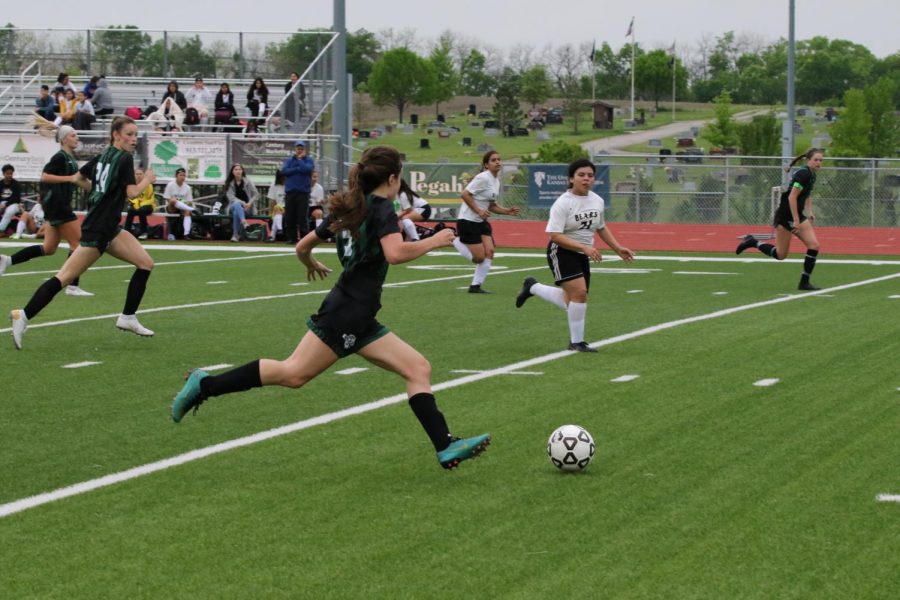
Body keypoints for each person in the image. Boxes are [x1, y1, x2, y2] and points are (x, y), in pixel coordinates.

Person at [171, 145, 491, 470]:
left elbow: (302, 245)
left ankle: (445, 446)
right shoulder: (380, 208)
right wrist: (434, 241)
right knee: (293, 373)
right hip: (346, 312)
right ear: (392, 178)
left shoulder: (353, 206)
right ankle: (204, 384)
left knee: (417, 368)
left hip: (359, 313)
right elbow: (395, 253)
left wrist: (309, 261)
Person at [9, 116, 157, 349]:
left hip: (108, 228)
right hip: (98, 230)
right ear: (116, 135)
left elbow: (79, 178)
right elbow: (132, 193)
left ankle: (127, 317)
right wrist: (147, 180)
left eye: (135, 135)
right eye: (129, 134)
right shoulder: (125, 159)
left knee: (146, 263)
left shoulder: (103, 156)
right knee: (64, 278)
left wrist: (100, 191)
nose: (133, 139)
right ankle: (23, 315)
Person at [515, 158, 635, 353]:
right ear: (571, 178)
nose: (586, 179)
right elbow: (555, 235)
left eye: (590, 175)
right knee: (580, 294)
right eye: (581, 175)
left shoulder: (597, 200)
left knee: (572, 300)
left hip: (581, 253)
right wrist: (584, 248)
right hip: (561, 251)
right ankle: (576, 343)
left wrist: (617, 248)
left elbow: (601, 227)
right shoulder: (563, 203)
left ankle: (533, 287)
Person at [0, 127, 93, 296]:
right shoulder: (59, 157)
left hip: (56, 206)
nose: (76, 138)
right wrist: (70, 179)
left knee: (49, 248)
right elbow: (45, 176)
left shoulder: (70, 158)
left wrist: (96, 190)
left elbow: (80, 181)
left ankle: (7, 260)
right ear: (64, 139)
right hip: (58, 205)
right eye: (73, 135)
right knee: (78, 244)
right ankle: (72, 286)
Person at [736, 148, 825, 291]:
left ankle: (804, 282)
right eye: (816, 160)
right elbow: (791, 197)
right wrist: (795, 220)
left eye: (821, 160)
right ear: (808, 160)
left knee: (814, 245)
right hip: (785, 217)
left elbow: (807, 194)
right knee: (780, 255)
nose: (819, 163)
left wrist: (809, 212)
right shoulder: (803, 174)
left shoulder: (812, 175)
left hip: (797, 215)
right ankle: (752, 242)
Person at [451, 150, 520, 293]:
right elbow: (465, 194)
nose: (498, 162)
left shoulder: (496, 181)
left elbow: (491, 205)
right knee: (479, 258)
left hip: (481, 221)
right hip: (468, 221)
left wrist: (507, 211)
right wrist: (478, 210)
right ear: (486, 165)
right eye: (493, 160)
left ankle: (475, 286)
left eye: (499, 159)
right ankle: (453, 240)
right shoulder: (483, 178)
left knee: (490, 252)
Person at [281, 140, 314, 243]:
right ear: (294, 149)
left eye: (301, 149)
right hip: (290, 192)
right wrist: (297, 169)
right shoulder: (289, 160)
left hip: (303, 193)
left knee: (302, 217)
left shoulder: (309, 160)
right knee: (290, 216)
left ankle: (304, 239)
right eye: (298, 149)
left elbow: (307, 170)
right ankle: (291, 238)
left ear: (304, 150)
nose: (299, 151)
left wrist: (300, 160)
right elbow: (284, 171)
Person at [223, 163, 259, 242]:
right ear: (232, 172)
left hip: (247, 208)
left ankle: (235, 235)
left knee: (237, 212)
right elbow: (231, 198)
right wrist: (243, 203)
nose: (238, 171)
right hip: (233, 206)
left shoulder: (248, 181)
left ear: (242, 171)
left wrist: (250, 203)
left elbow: (256, 194)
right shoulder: (229, 183)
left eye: (240, 169)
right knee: (236, 204)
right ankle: (244, 222)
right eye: (236, 170)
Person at [125, 167, 157, 240]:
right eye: (137, 174)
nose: (138, 175)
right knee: (130, 210)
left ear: (144, 175)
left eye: (140, 174)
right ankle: (126, 231)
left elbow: (151, 199)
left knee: (142, 210)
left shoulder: (148, 185)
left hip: (148, 206)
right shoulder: (132, 185)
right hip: (136, 205)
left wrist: (141, 205)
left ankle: (144, 232)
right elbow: (131, 197)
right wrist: (137, 205)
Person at [163, 167, 194, 241]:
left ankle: (186, 234)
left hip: (182, 207)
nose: (182, 177)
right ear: (176, 176)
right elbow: (167, 198)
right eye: (180, 175)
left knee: (187, 211)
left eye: (184, 175)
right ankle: (192, 209)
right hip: (172, 207)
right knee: (173, 201)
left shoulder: (187, 187)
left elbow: (189, 201)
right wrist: (177, 201)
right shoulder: (170, 185)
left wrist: (181, 202)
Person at [0, 164, 23, 236]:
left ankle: (1, 230)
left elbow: (17, 198)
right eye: (8, 173)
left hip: (14, 204)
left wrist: (6, 205)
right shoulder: (0, 183)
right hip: (1, 203)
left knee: (9, 211)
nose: (10, 175)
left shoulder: (16, 184)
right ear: (3, 174)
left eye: (11, 173)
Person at [267, 170, 286, 242]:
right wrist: (270, 213)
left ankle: (273, 235)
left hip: (288, 208)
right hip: (278, 208)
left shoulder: (290, 185)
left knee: (277, 210)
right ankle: (278, 231)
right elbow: (272, 201)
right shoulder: (273, 186)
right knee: (277, 210)